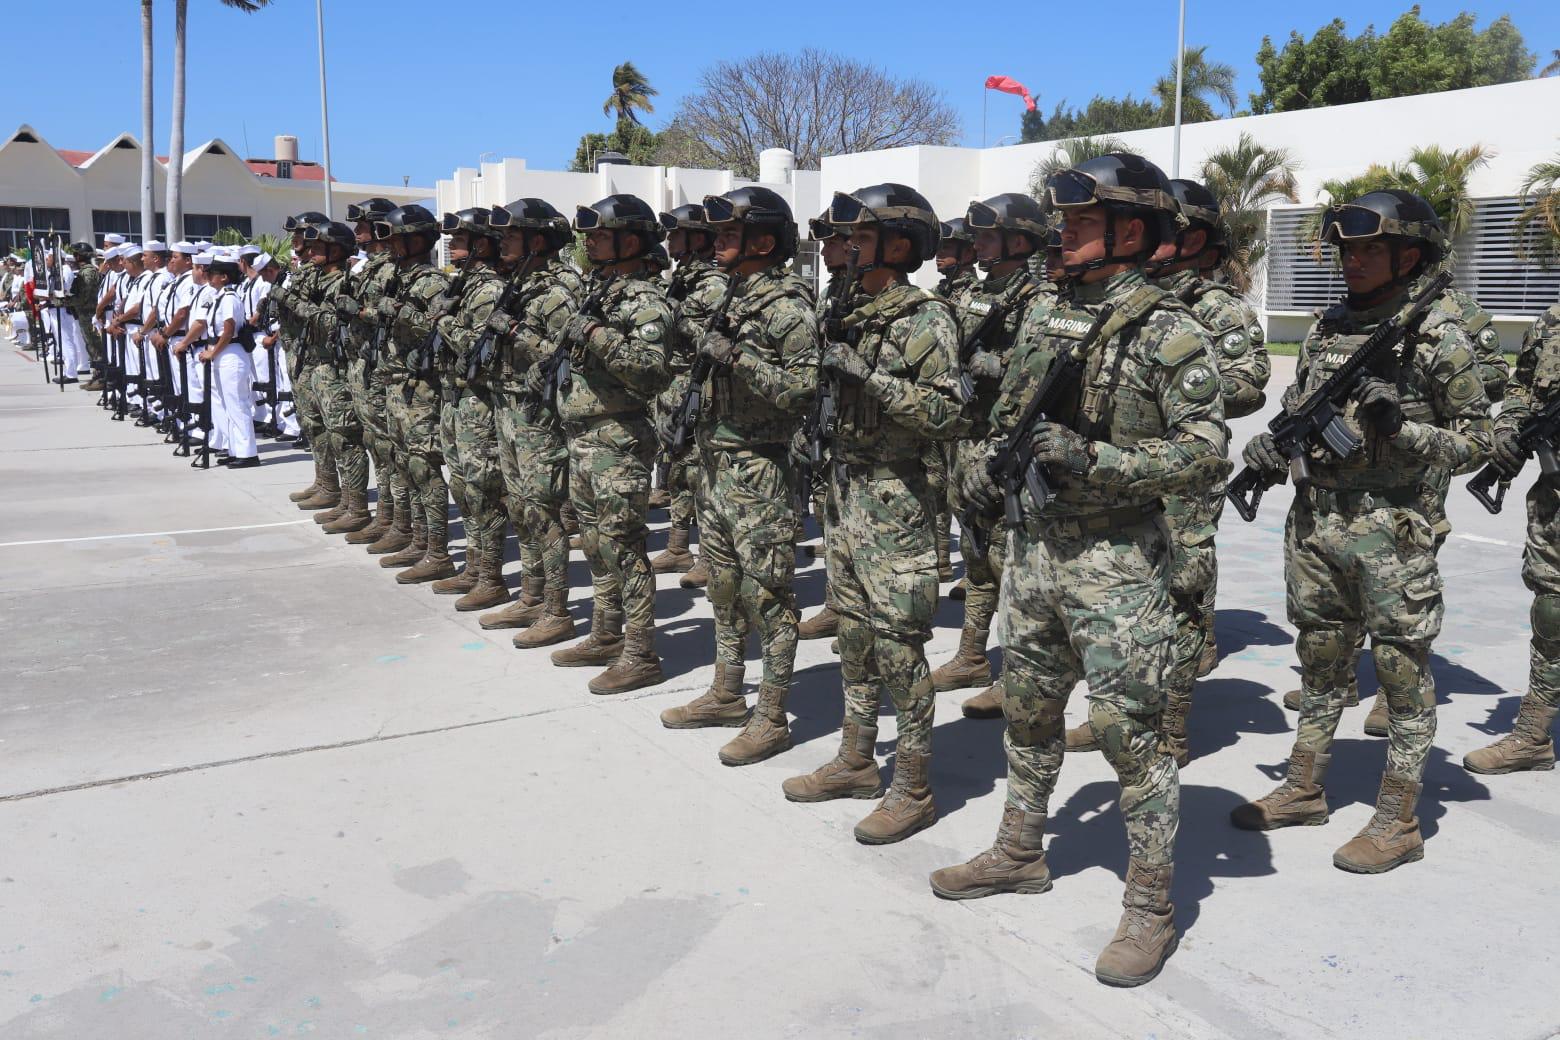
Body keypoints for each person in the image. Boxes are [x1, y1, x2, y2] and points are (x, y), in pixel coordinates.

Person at [929, 154, 1226, 988]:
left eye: (1081, 222)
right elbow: (1011, 408)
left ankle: (1150, 907)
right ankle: (1021, 849)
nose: (1062, 235)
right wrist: (993, 457)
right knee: (1027, 715)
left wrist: (1098, 461)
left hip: (1118, 562)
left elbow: (1206, 455)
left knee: (1131, 736)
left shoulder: (1171, 332)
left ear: (1130, 232)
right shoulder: (1047, 311)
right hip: (1035, 553)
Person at [1229, 190, 1492, 876]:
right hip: (1317, 526)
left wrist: (1404, 429)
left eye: (1370, 248)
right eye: (1348, 249)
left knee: (1403, 677)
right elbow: (1298, 408)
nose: (1355, 260)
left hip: (1391, 533)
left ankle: (1398, 818)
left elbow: (1482, 444)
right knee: (1320, 666)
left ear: (1410, 255)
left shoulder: (1438, 336)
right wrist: (1270, 449)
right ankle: (1305, 785)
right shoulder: (1326, 328)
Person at [780, 183, 962, 844]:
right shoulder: (845, 308)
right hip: (846, 491)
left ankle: (912, 786)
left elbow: (947, 414)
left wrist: (870, 378)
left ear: (897, 244)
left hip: (897, 499)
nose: (843, 249)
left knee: (897, 646)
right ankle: (857, 759)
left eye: (857, 238)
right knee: (853, 637)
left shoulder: (927, 318)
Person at [657, 187, 818, 765]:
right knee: (724, 590)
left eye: (729, 233)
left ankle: (772, 716)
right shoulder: (732, 295)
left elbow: (803, 391)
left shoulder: (786, 307)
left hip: (761, 469)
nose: (717, 241)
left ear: (764, 242)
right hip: (716, 464)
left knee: (768, 596)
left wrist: (733, 356)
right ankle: (727, 691)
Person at [547, 194, 672, 694]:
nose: (591, 244)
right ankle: (604, 633)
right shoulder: (601, 292)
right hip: (582, 437)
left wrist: (596, 333)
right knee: (596, 544)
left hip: (617, 437)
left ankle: (641, 652)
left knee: (624, 546)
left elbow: (651, 371)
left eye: (600, 235)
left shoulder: (646, 301)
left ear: (630, 240)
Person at [932, 193, 1050, 718]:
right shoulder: (975, 293)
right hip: (965, 440)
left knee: (1011, 562)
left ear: (1018, 241)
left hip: (1006, 445)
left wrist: (992, 364)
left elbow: (1045, 371)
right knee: (977, 554)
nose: (975, 242)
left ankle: (1017, 675)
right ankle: (972, 655)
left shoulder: (1040, 298)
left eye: (986, 235)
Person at [475, 197, 583, 647]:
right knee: (520, 507)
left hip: (538, 414)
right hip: (509, 408)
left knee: (543, 510)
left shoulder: (558, 293)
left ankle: (557, 608)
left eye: (513, 236)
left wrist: (517, 332)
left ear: (538, 240)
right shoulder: (520, 284)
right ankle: (532, 594)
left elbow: (567, 359)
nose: (504, 244)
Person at [1464, 301, 1560, 774]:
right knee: (1552, 613)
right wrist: (1510, 428)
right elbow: (1522, 383)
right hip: (1555, 501)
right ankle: (1532, 735)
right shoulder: (1553, 318)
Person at [428, 207, 511, 612]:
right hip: (454, 397)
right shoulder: (463, 286)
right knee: (463, 487)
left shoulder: (489, 289)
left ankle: (491, 576)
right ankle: (474, 566)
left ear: (481, 245)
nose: (451, 247)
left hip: (477, 400)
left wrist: (442, 321)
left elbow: (478, 349)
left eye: (459, 241)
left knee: (483, 491)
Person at [372, 204, 456, 580]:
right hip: (398, 384)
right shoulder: (399, 277)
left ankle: (437, 550)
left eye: (397, 239)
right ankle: (418, 540)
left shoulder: (434, 282)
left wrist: (401, 311)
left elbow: (441, 330)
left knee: (424, 467)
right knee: (405, 464)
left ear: (417, 241)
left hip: (423, 388)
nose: (389, 246)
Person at [650, 204, 726, 584]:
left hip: (696, 389)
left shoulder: (713, 284)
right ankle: (678, 545)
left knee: (701, 475)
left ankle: (709, 556)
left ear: (697, 238)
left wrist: (680, 320)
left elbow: (715, 343)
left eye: (676, 233)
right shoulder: (682, 280)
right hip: (672, 387)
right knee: (678, 471)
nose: (669, 240)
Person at [795, 212, 853, 643]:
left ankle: (851, 609)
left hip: (862, 423)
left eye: (834, 242)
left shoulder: (863, 294)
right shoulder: (833, 291)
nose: (825, 249)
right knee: (828, 511)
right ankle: (836, 603)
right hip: (827, 411)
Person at [337, 198, 404, 548]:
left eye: (363, 226)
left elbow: (389, 315)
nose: (357, 232)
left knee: (389, 449)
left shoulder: (392, 269)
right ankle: (385, 516)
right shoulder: (367, 268)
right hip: (365, 362)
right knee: (375, 444)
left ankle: (394, 520)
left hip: (383, 368)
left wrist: (359, 311)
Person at [200, 255, 259, 468]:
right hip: (223, 353)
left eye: (212, 274)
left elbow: (228, 330)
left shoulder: (230, 298)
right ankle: (235, 450)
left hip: (231, 354)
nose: (208, 277)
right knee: (227, 405)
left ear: (224, 277)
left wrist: (212, 352)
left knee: (237, 405)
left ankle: (248, 453)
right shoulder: (219, 297)